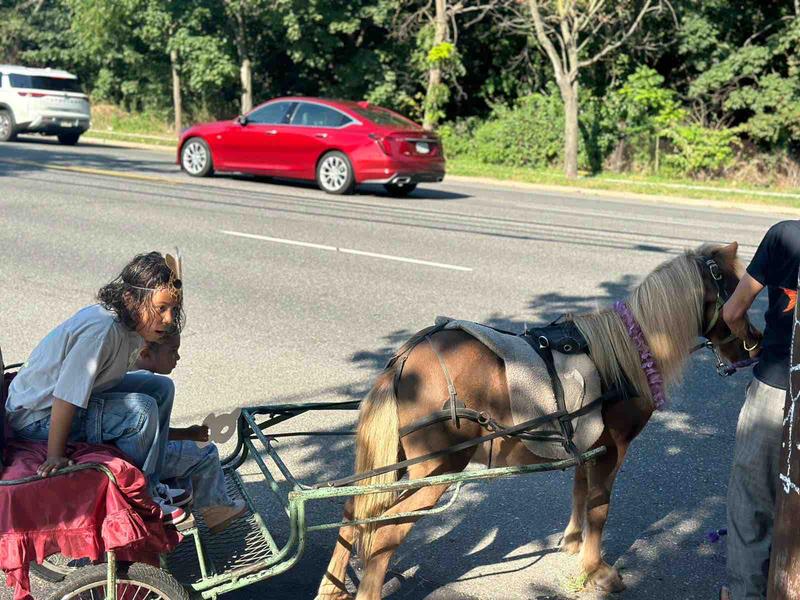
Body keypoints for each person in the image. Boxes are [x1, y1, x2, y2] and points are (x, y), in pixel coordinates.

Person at [5, 252, 188, 524]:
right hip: (36, 417)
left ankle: (153, 483)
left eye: (173, 309)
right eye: (161, 308)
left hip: (74, 398)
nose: (169, 318)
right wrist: (55, 455)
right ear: (130, 300)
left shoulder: (133, 327)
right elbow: (66, 395)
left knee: (160, 388)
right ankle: (139, 500)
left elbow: (114, 368)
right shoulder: (102, 330)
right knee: (141, 411)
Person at [721, 220, 799, 600]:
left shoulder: (784, 236)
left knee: (751, 502)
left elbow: (733, 312)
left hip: (775, 389)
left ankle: (745, 594)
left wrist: (752, 343)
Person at [134, 333, 247, 534]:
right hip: (142, 461)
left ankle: (194, 496)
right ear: (145, 354)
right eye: (172, 352)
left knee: (190, 450)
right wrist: (187, 433)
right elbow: (151, 435)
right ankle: (216, 509)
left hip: (136, 456)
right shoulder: (146, 384)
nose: (177, 357)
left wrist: (187, 434)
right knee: (206, 452)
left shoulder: (126, 376)